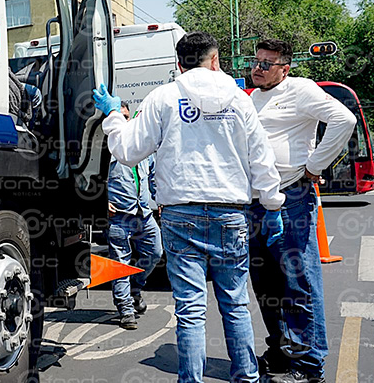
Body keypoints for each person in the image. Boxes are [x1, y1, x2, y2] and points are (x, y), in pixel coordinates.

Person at [93, 32, 284, 383]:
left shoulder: (163, 97)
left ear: (178, 65)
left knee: (191, 309)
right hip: (230, 214)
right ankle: (246, 377)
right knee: (235, 304)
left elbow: (127, 150)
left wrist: (112, 116)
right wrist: (272, 204)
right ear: (215, 61)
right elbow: (261, 157)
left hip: (181, 216)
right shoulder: (239, 100)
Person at [248, 39, 356, 383]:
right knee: (265, 283)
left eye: (268, 63)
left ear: (285, 68)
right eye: (257, 61)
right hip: (255, 203)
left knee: (298, 282)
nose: (259, 67)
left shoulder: (301, 90)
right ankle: (280, 352)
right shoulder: (251, 98)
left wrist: (314, 165)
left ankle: (309, 365)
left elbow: (343, 120)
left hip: (292, 197)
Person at [106, 101, 163, 330]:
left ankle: (135, 288)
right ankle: (126, 310)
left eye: (127, 116)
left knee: (155, 251)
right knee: (120, 263)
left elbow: (152, 176)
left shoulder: (140, 147)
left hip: (144, 213)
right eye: (120, 116)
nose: (125, 120)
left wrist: (160, 200)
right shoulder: (106, 149)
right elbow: (88, 180)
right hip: (119, 215)